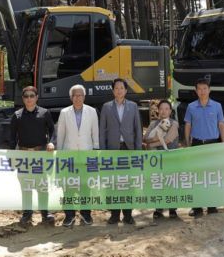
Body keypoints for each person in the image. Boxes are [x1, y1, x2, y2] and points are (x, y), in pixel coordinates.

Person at [10, 85, 56, 226]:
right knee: (26, 186)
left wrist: (51, 143)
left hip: (40, 155)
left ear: (36, 97)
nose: (29, 98)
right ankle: (27, 214)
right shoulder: (17, 115)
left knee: (42, 185)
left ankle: (45, 213)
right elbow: (12, 138)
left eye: (32, 95)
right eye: (26, 96)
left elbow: (53, 132)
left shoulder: (45, 113)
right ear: (23, 99)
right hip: (23, 156)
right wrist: (12, 155)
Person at [100, 78, 142, 225]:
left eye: (121, 88)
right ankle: (114, 215)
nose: (119, 90)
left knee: (128, 183)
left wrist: (138, 151)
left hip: (128, 149)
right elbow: (102, 131)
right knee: (113, 183)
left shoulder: (133, 106)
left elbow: (138, 129)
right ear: (113, 91)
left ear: (126, 90)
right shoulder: (106, 107)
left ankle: (128, 214)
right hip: (112, 150)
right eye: (116, 88)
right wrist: (103, 151)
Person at [56, 84, 99, 227]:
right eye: (75, 95)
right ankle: (69, 216)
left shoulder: (92, 111)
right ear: (71, 97)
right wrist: (60, 155)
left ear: (84, 97)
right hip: (69, 155)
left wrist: (96, 153)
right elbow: (60, 135)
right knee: (69, 187)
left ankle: (86, 215)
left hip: (87, 154)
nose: (78, 97)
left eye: (80, 95)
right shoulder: (64, 112)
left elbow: (95, 134)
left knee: (86, 186)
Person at [183, 77, 224, 218]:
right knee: (197, 176)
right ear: (195, 91)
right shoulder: (190, 107)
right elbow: (188, 125)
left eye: (205, 89)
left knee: (211, 176)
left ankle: (212, 205)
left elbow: (221, 125)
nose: (202, 91)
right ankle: (197, 207)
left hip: (212, 144)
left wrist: (223, 143)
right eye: (199, 89)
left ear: (209, 90)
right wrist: (188, 144)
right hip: (196, 144)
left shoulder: (217, 106)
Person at [143, 99, 179, 220]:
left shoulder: (174, 123)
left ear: (170, 111)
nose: (163, 111)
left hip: (171, 158)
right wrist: (154, 139)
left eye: (166, 109)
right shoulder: (153, 124)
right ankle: (159, 208)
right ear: (158, 110)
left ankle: (173, 209)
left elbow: (168, 139)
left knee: (171, 182)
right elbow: (146, 138)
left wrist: (152, 143)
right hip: (157, 161)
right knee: (158, 182)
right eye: (161, 109)